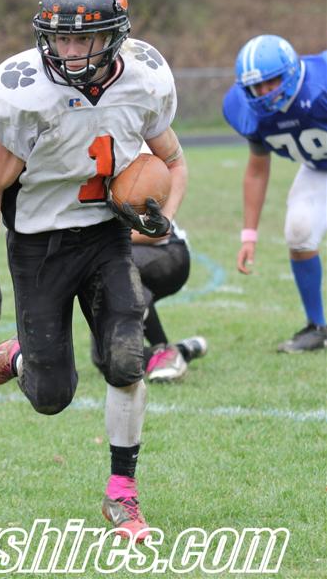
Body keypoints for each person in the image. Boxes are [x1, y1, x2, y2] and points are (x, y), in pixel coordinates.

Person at [0, 0, 188, 540]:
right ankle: (24, 354)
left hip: (104, 237)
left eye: (82, 38)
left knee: (127, 359)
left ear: (113, 36)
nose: (68, 51)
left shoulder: (142, 80)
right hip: (39, 245)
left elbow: (174, 161)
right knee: (51, 397)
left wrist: (162, 219)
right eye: (60, 37)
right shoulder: (26, 93)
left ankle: (123, 496)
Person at [223, 35, 327, 353]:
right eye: (257, 86)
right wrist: (249, 235)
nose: (266, 92)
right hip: (319, 168)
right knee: (299, 231)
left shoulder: (321, 84)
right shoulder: (245, 110)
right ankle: (317, 328)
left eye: (272, 82)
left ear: (291, 72)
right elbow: (257, 169)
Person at [91, 218, 207, 383]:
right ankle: (180, 351)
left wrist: (101, 241)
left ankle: (163, 350)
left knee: (112, 269)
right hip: (123, 251)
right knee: (106, 357)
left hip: (166, 251)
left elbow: (159, 231)